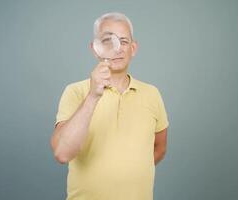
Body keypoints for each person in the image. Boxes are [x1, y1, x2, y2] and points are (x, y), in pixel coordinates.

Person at [50, 12, 169, 200]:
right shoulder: (75, 92)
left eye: (123, 41)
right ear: (95, 48)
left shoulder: (152, 94)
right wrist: (93, 96)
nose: (117, 48)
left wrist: (127, 176)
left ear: (133, 48)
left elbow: (159, 148)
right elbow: (62, 153)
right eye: (108, 41)